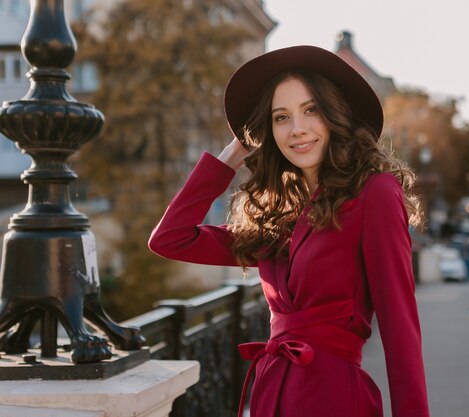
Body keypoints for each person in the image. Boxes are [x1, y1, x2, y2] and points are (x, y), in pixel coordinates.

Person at [148, 45, 430, 417]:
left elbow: (400, 330)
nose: (297, 129)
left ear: (334, 115)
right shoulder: (277, 217)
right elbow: (170, 238)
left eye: (310, 110)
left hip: (333, 401)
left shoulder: (374, 193)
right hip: (271, 395)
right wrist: (228, 158)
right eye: (281, 117)